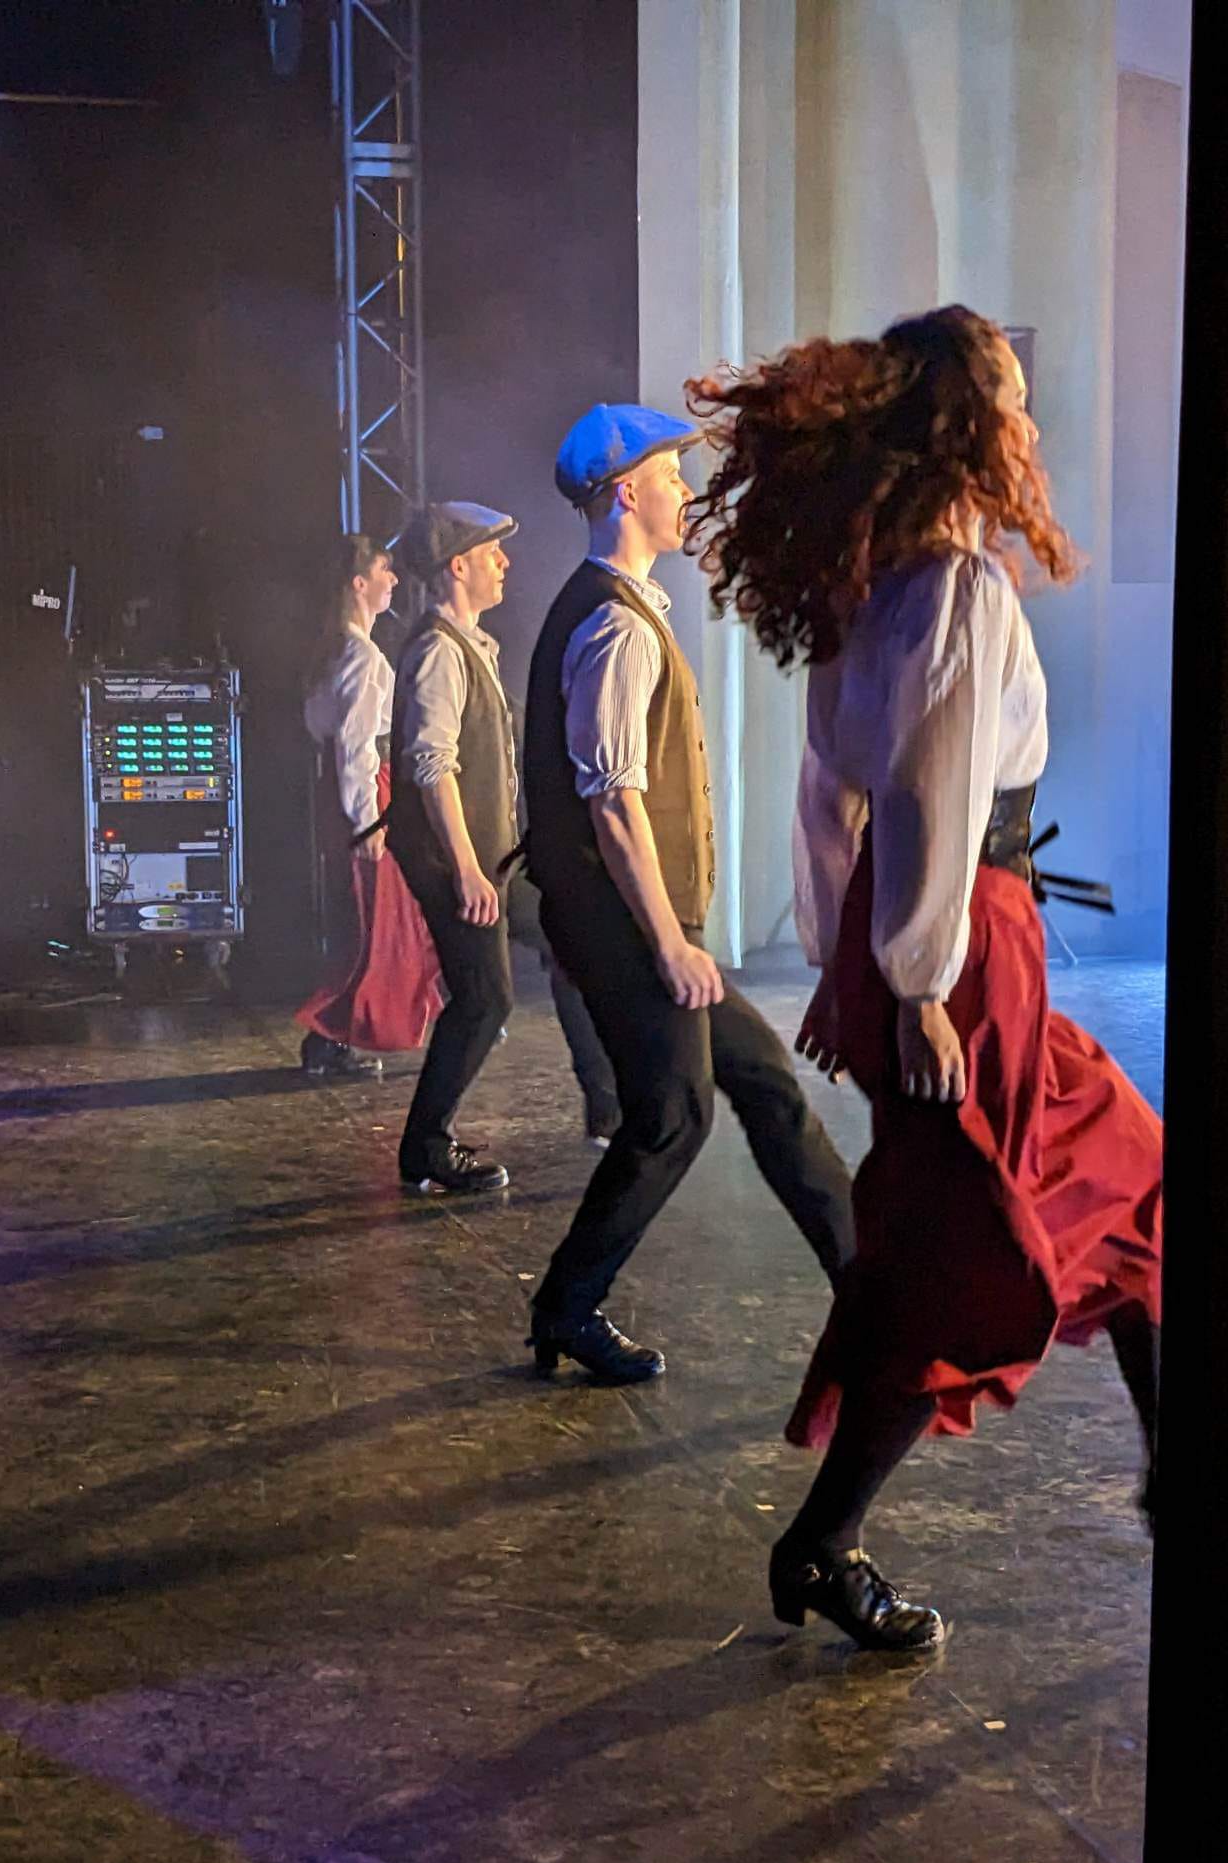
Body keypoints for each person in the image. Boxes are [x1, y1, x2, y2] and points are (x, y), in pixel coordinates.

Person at [687, 306, 1163, 1652]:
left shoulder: (880, 583)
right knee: (958, 1261)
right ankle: (822, 1543)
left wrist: (855, 957)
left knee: (1129, 1181)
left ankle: (1168, 1468)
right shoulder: (953, 586)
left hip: (935, 943)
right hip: (966, 951)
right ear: (967, 423)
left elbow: (829, 793)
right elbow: (925, 794)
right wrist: (912, 983)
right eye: (1010, 393)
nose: (1028, 415)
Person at [520, 404, 856, 1385]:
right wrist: (670, 943)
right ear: (627, 493)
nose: (684, 490)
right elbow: (613, 804)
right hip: (628, 924)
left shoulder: (623, 609)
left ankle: (867, 1281)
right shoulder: (614, 626)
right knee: (672, 1115)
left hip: (635, 920)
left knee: (761, 1080)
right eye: (670, 475)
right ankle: (566, 1306)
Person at [385, 503, 525, 1195]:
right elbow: (432, 765)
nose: (505, 563)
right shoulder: (440, 651)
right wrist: (468, 869)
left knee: (552, 952)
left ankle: (614, 1098)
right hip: (455, 860)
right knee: (483, 999)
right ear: (458, 565)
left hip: (488, 855)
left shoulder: (470, 645)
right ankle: (426, 1145)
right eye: (493, 552)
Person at [296, 534, 443, 1079]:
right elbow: (356, 747)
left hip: (349, 794)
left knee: (372, 923)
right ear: (359, 583)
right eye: (384, 570)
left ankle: (337, 1037)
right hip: (365, 795)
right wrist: (368, 822)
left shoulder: (336, 652)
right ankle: (331, 1037)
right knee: (375, 926)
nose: (394, 579)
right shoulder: (360, 656)